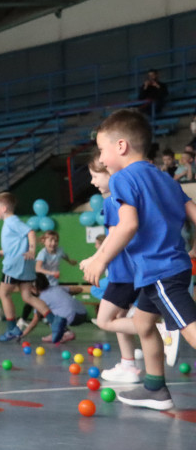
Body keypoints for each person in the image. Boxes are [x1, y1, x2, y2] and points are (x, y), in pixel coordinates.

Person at [81, 109, 196, 409]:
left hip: (160, 272)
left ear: (121, 146)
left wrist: (100, 259)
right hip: (172, 268)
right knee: (144, 324)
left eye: (103, 150)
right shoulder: (166, 179)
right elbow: (193, 212)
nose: (102, 159)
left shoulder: (122, 179)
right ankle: (155, 388)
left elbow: (127, 225)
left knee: (189, 326)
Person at [86, 155, 142, 383]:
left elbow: (112, 239)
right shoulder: (126, 200)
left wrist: (96, 259)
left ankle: (159, 332)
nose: (92, 182)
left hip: (122, 275)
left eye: (95, 176)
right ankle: (128, 364)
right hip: (134, 272)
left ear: (111, 174)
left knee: (104, 320)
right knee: (120, 316)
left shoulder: (111, 202)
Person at [0, 191, 50, 342]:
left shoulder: (12, 221)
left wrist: (32, 250)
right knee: (27, 296)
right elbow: (15, 245)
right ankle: (55, 320)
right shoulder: (10, 223)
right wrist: (0, 252)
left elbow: (30, 232)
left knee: (4, 294)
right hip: (24, 263)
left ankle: (12, 328)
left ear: (3, 208)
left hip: (15, 264)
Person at [20, 274, 87, 343]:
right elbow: (79, 289)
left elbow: (34, 322)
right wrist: (65, 296)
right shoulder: (57, 288)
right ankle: (64, 331)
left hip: (72, 318)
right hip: (83, 313)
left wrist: (22, 334)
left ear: (34, 288)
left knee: (46, 316)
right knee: (55, 309)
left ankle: (65, 333)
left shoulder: (40, 300)